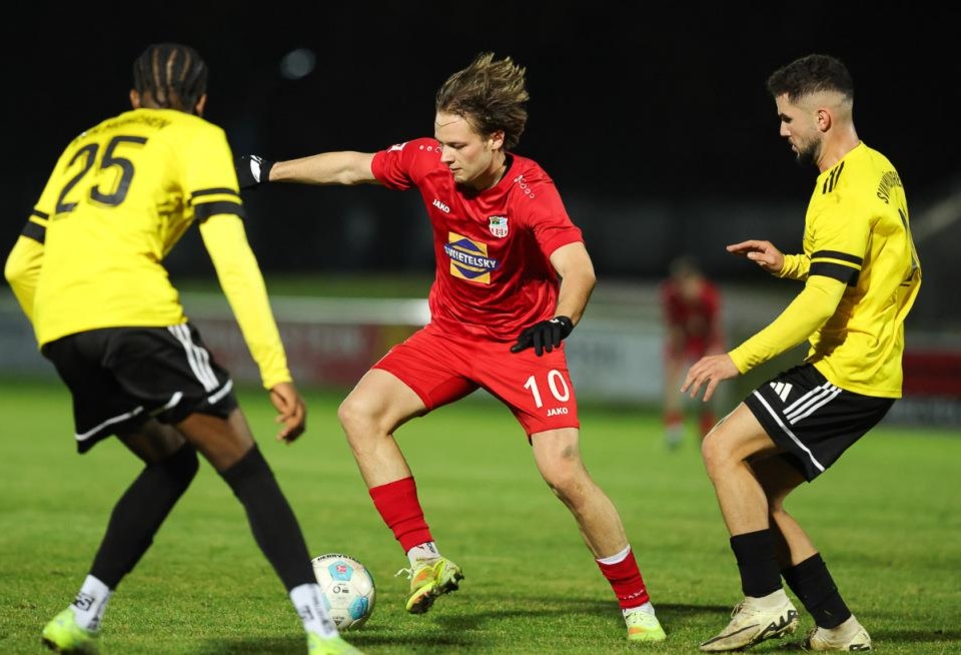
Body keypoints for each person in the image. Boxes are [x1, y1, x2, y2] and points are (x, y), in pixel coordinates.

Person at [236, 52, 667, 642]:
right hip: (450, 335)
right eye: (439, 141)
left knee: (562, 471)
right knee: (359, 413)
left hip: (523, 344)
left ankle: (638, 609)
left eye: (456, 146)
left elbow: (579, 269)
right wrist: (268, 171)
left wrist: (561, 323)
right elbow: (351, 169)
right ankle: (425, 559)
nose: (441, 155)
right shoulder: (427, 161)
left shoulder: (530, 191)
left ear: (495, 140)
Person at [3, 43, 361, 655]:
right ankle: (323, 638)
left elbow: (19, 265)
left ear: (135, 98)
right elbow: (232, 256)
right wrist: (274, 369)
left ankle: (81, 617)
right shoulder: (198, 137)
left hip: (63, 329)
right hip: (137, 318)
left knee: (172, 462)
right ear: (199, 101)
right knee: (247, 469)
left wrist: (64, 331)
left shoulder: (83, 143)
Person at [682, 54, 921, 652]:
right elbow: (859, 271)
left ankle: (762, 603)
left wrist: (737, 359)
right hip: (870, 366)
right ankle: (839, 627)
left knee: (720, 446)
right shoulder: (878, 168)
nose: (781, 129)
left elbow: (821, 305)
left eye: (787, 118)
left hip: (848, 366)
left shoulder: (843, 193)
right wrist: (788, 262)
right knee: (755, 492)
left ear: (820, 116)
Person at [659, 255, 724, 449]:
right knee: (673, 380)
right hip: (682, 340)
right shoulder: (671, 295)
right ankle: (674, 428)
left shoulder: (709, 295)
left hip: (706, 342)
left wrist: (713, 354)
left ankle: (705, 429)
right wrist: (676, 352)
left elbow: (714, 328)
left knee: (708, 386)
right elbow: (673, 326)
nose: (683, 289)